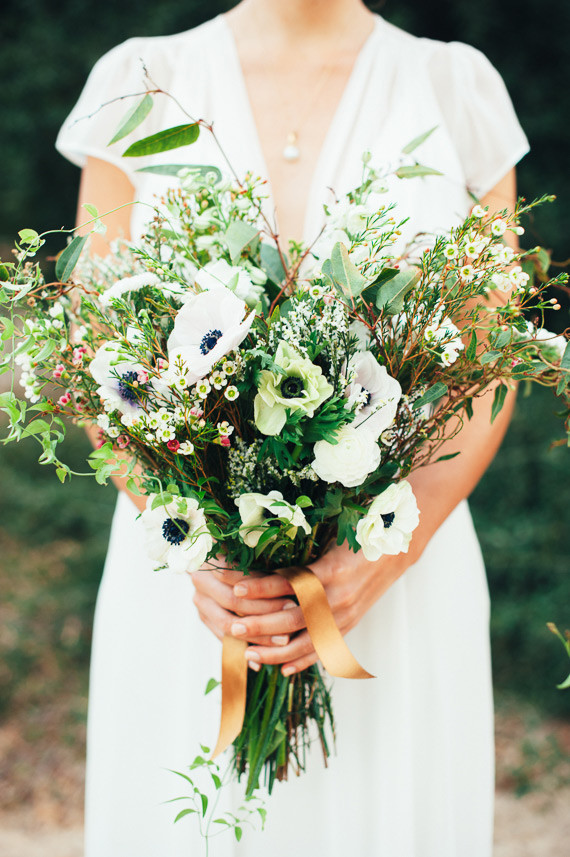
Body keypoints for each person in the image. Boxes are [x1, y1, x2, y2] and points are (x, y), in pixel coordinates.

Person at [56, 1, 530, 854]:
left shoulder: (455, 90)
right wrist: (198, 546)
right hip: (192, 594)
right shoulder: (138, 82)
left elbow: (490, 365)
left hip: (396, 580)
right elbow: (97, 358)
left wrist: (381, 557)